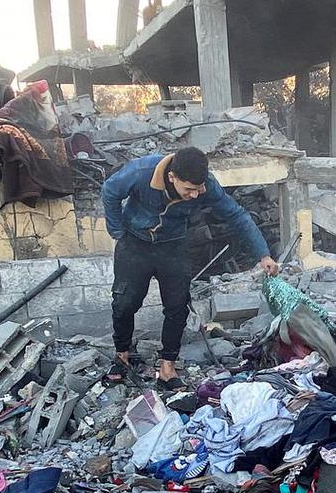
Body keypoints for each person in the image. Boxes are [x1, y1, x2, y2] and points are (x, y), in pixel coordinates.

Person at [103, 147, 280, 390]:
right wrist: (117, 232)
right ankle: (122, 355)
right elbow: (110, 191)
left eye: (198, 189)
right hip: (134, 243)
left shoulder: (206, 185)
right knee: (125, 303)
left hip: (174, 246)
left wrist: (264, 254)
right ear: (173, 177)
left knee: (177, 307)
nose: (195, 195)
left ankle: (167, 367)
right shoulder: (141, 171)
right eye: (189, 190)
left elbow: (236, 215)